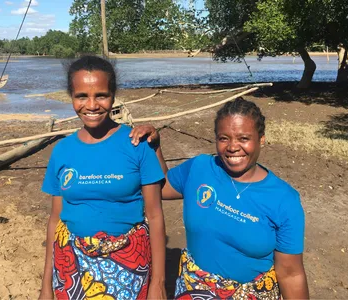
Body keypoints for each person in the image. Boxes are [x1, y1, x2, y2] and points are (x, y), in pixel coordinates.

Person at [130, 97, 309, 299]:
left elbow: (291, 274)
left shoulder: (284, 200)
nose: (232, 147)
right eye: (224, 138)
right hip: (192, 290)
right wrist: (155, 147)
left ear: (261, 139)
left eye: (243, 138)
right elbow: (162, 188)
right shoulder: (200, 168)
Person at [39, 55, 167, 300]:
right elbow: (55, 220)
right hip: (71, 268)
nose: (92, 105)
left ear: (113, 95)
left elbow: (155, 215)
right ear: (71, 97)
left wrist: (158, 284)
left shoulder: (136, 143)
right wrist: (46, 285)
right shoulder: (62, 150)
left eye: (101, 95)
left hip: (128, 266)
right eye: (81, 96)